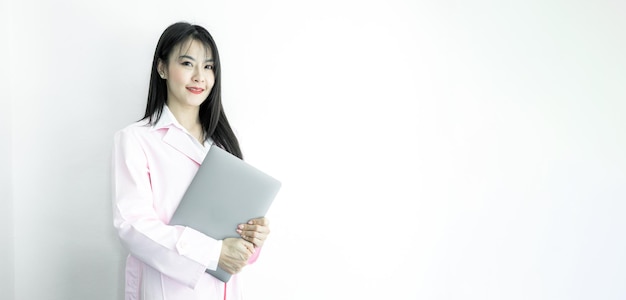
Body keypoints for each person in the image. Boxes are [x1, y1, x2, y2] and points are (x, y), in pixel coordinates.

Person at [112, 22, 270, 300]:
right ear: (162, 68)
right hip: (168, 289)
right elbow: (132, 225)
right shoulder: (136, 139)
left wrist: (252, 238)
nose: (200, 76)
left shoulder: (224, 144)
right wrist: (213, 252)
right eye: (187, 63)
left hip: (224, 290)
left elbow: (231, 230)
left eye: (208, 67)